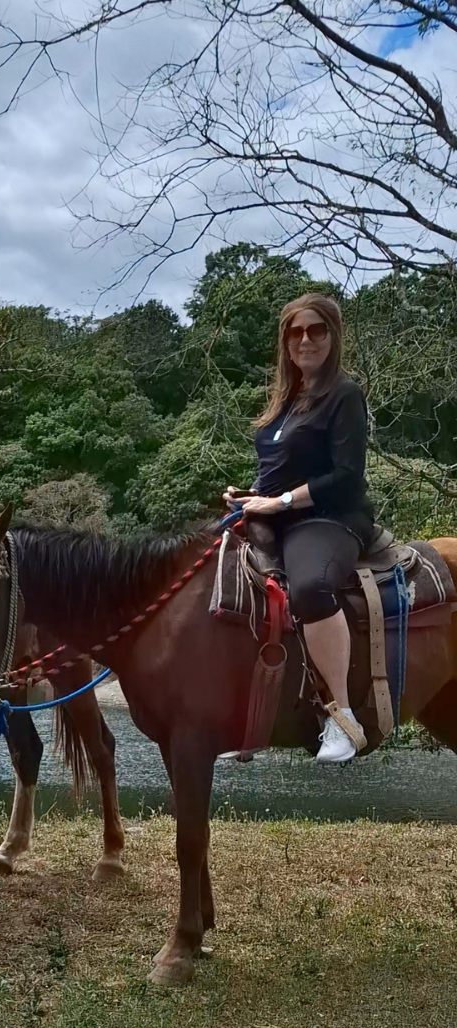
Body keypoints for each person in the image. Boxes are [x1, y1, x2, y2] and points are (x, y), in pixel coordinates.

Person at [225, 293, 373, 764]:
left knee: (309, 589)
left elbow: (346, 476)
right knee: (211, 576)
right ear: (285, 342)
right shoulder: (286, 401)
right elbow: (274, 475)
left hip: (329, 518)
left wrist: (283, 501)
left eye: (316, 330)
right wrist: (250, 498)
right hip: (279, 516)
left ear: (333, 336)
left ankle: (344, 720)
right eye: (296, 332)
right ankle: (244, 720)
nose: (305, 339)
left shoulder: (344, 395)